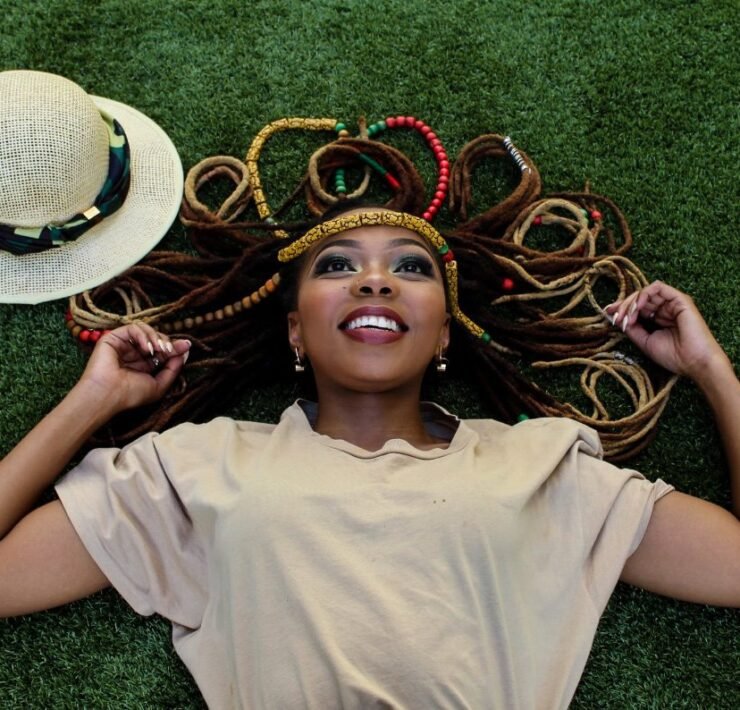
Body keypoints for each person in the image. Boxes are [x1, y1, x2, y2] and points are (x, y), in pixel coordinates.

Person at [0, 206, 738, 709]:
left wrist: (712, 371)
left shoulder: (540, 466)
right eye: (338, 266)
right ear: (295, 331)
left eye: (411, 267)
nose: (375, 279)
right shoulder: (197, 465)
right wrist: (92, 402)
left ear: (444, 335)